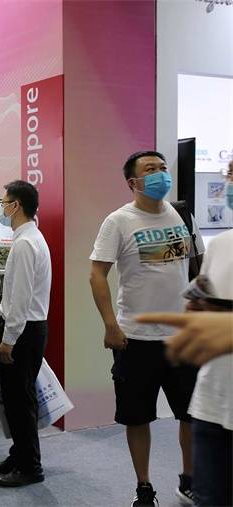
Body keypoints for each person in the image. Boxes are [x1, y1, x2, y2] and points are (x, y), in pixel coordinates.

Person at [89, 151, 204, 507]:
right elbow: (97, 275)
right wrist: (110, 325)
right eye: (150, 169)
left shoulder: (182, 214)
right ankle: (144, 488)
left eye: (163, 168)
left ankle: (189, 480)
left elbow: (198, 268)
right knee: (137, 417)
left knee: (191, 415)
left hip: (181, 337)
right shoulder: (119, 221)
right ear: (133, 183)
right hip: (135, 339)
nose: (160, 174)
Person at [137, 161, 233, 507]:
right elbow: (204, 297)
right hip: (212, 408)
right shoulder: (221, 245)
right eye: (230, 174)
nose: (229, 182)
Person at [0, 181, 51, 488]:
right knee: (16, 398)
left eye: (4, 203)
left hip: (23, 331)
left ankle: (30, 466)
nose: (2, 209)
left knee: (20, 401)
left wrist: (8, 340)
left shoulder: (26, 243)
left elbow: (20, 298)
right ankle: (20, 454)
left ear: (16, 206)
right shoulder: (30, 238)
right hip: (28, 329)